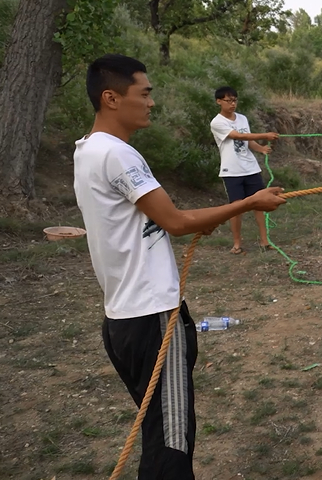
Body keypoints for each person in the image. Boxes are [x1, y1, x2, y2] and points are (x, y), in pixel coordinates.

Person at [73, 55, 286, 480]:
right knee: (170, 444)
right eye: (144, 94)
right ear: (111, 98)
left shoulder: (88, 149)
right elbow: (176, 221)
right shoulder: (118, 154)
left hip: (123, 319)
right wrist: (249, 202)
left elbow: (156, 219)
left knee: (160, 431)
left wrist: (199, 220)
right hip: (151, 318)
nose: (151, 103)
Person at [210, 86, 279, 254]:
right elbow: (237, 136)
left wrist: (261, 149)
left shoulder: (242, 118)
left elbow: (247, 140)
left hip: (251, 169)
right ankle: (237, 244)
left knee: (260, 204)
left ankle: (264, 241)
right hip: (232, 172)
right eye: (228, 101)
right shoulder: (217, 122)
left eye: (234, 100)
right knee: (236, 208)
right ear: (219, 101)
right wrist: (264, 135)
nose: (232, 104)